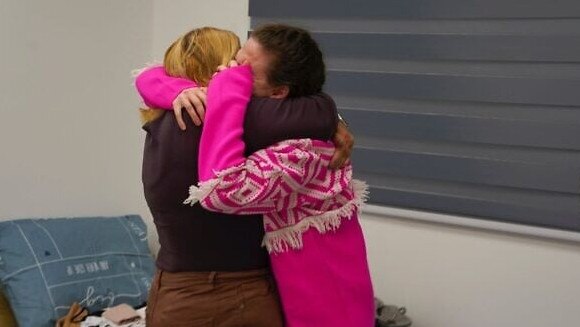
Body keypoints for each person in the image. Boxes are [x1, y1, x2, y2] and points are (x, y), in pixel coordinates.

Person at [141, 24, 374, 327]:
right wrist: (333, 117)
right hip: (250, 294)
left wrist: (172, 89)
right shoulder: (257, 122)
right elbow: (316, 109)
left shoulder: (159, 125)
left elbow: (148, 76)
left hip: (178, 295)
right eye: (235, 62)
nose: (234, 69)